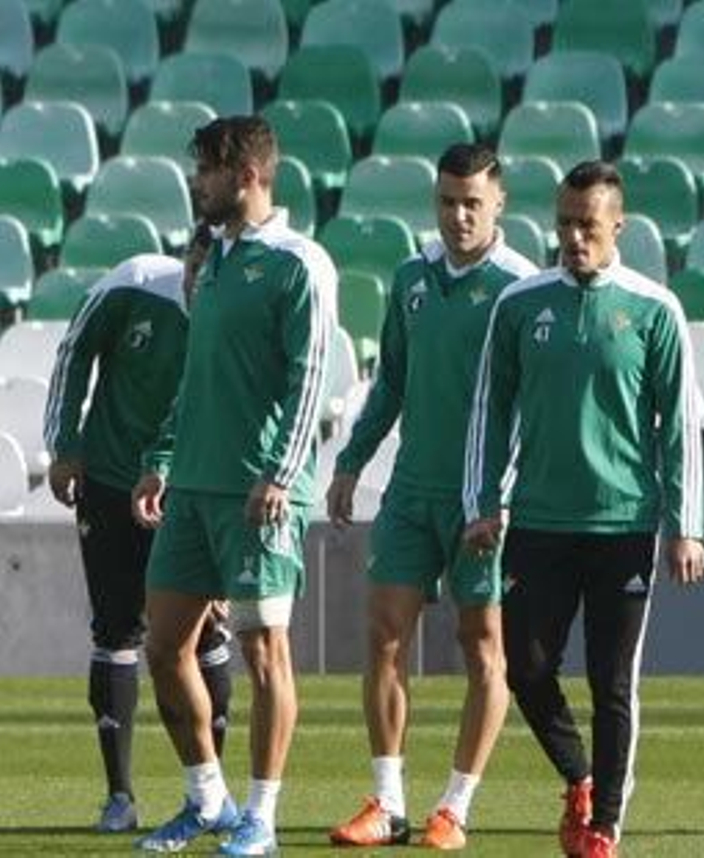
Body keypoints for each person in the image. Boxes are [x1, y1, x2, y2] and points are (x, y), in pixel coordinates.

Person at [462, 160, 704, 858]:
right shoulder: (520, 304)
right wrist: (483, 503)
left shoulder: (655, 309)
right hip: (537, 521)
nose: (573, 237)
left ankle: (605, 827)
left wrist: (685, 526)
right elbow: (490, 408)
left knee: (611, 680)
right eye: (565, 223)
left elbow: (679, 426)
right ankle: (581, 776)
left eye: (587, 226)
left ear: (617, 226)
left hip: (623, 524)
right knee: (527, 668)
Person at [130, 115, 336, 856]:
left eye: (207, 171)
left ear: (246, 174)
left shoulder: (297, 262)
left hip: (260, 492)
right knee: (163, 646)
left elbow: (311, 376)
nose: (196, 183)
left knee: (262, 652)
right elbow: (201, 376)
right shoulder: (212, 261)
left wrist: (282, 473)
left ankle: (263, 816)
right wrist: (162, 455)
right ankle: (207, 799)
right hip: (194, 486)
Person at [326, 143, 539, 850]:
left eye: (472, 202)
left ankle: (456, 806)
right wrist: (352, 461)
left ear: (498, 203)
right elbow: (391, 378)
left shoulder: (520, 287)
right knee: (383, 638)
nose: (458, 216)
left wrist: (503, 494)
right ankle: (387, 803)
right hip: (412, 489)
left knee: (482, 648)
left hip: (482, 496)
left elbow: (533, 404)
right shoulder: (412, 276)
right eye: (448, 202)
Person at [42, 251, 234, 834]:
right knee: (116, 629)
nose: (206, 277)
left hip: (193, 485)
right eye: (200, 264)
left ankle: (209, 793)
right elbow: (74, 353)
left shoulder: (238, 309)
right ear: (189, 259)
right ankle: (119, 797)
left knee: (204, 631)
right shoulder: (132, 282)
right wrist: (64, 444)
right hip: (107, 477)